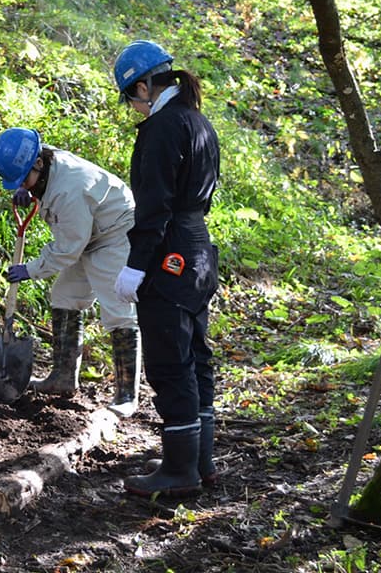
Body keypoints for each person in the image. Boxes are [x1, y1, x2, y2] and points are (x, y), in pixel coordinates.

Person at [111, 39, 221, 497]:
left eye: (132, 97)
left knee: (170, 362)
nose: (134, 107)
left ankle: (179, 471)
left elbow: (154, 207)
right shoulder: (198, 121)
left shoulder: (161, 128)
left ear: (143, 85)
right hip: (198, 251)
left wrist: (137, 266)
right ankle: (200, 460)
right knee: (195, 356)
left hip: (171, 254)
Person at [0, 127, 140, 417]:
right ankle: (62, 378)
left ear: (38, 164)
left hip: (115, 232)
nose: (24, 185)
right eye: (18, 182)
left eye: (25, 179)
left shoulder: (69, 189)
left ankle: (126, 395)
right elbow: (73, 238)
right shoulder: (41, 160)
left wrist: (30, 270)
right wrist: (25, 187)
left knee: (117, 308)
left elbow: (68, 249)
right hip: (89, 231)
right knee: (64, 296)